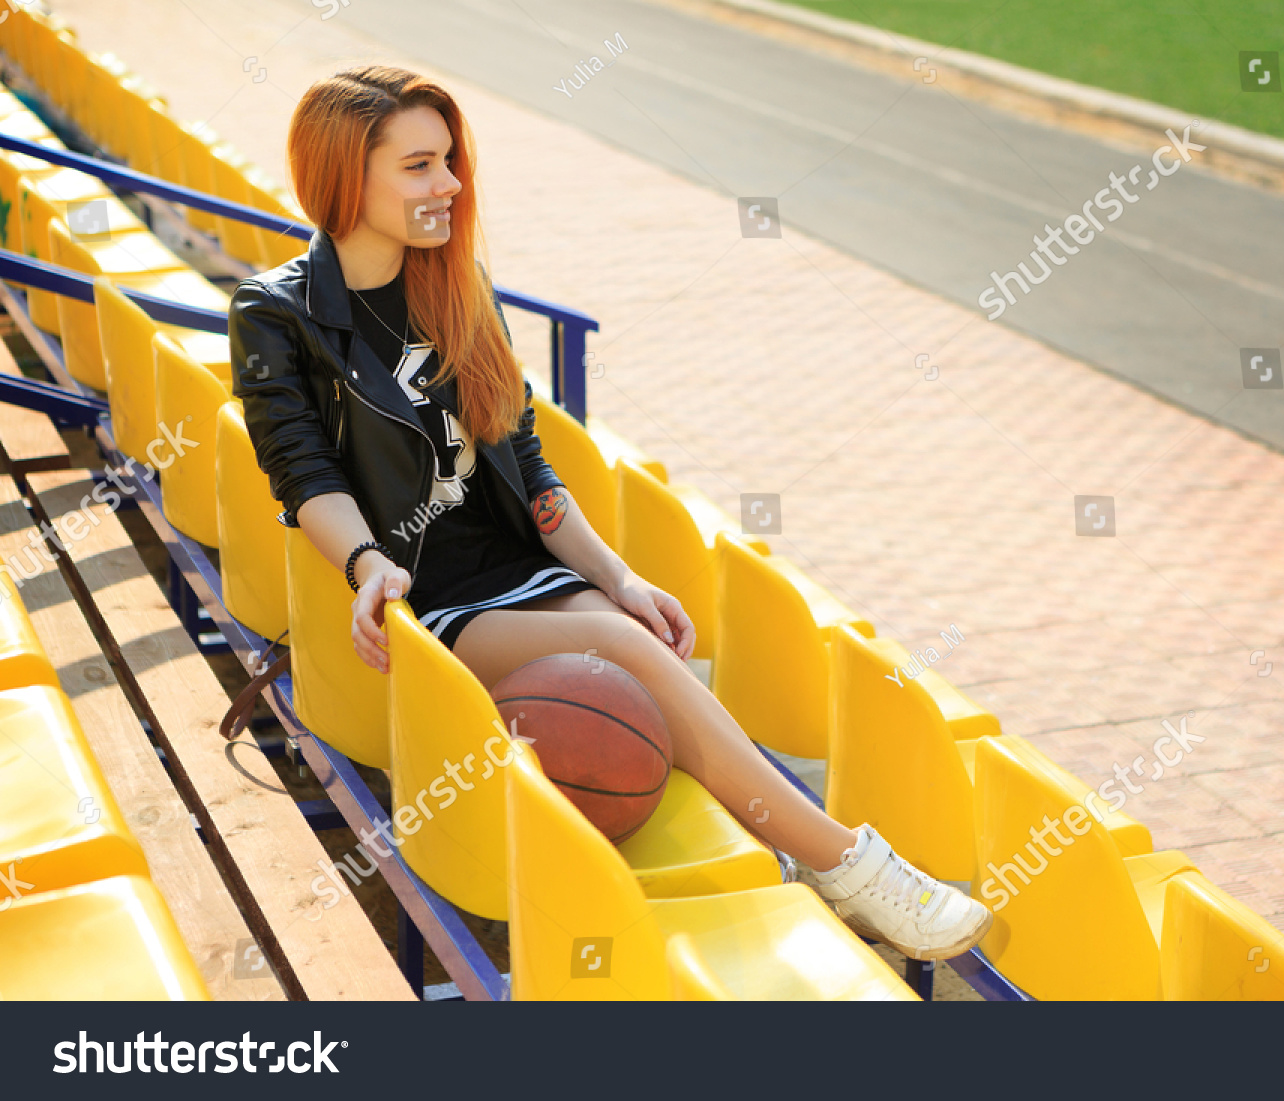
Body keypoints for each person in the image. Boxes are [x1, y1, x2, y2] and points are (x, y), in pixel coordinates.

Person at [229, 64, 990, 963]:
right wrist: (366, 566)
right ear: (345, 175)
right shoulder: (276, 313)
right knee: (625, 650)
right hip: (419, 603)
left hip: (515, 575)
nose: (451, 185)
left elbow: (531, 469)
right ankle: (849, 866)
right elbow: (305, 471)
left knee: (635, 635)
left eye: (451, 162)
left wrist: (619, 575)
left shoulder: (456, 286)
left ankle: (818, 859)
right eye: (421, 166)